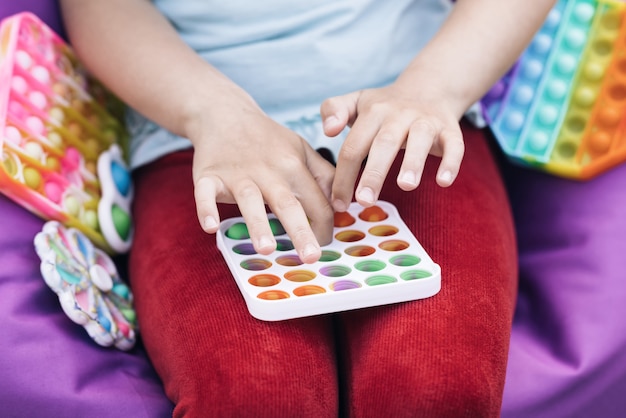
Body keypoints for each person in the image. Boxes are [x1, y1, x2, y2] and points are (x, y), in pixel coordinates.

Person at [58, 0, 555, 416]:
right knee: (254, 399)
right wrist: (212, 112)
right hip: (196, 134)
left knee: (436, 390)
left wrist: (436, 86)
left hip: (415, 113)